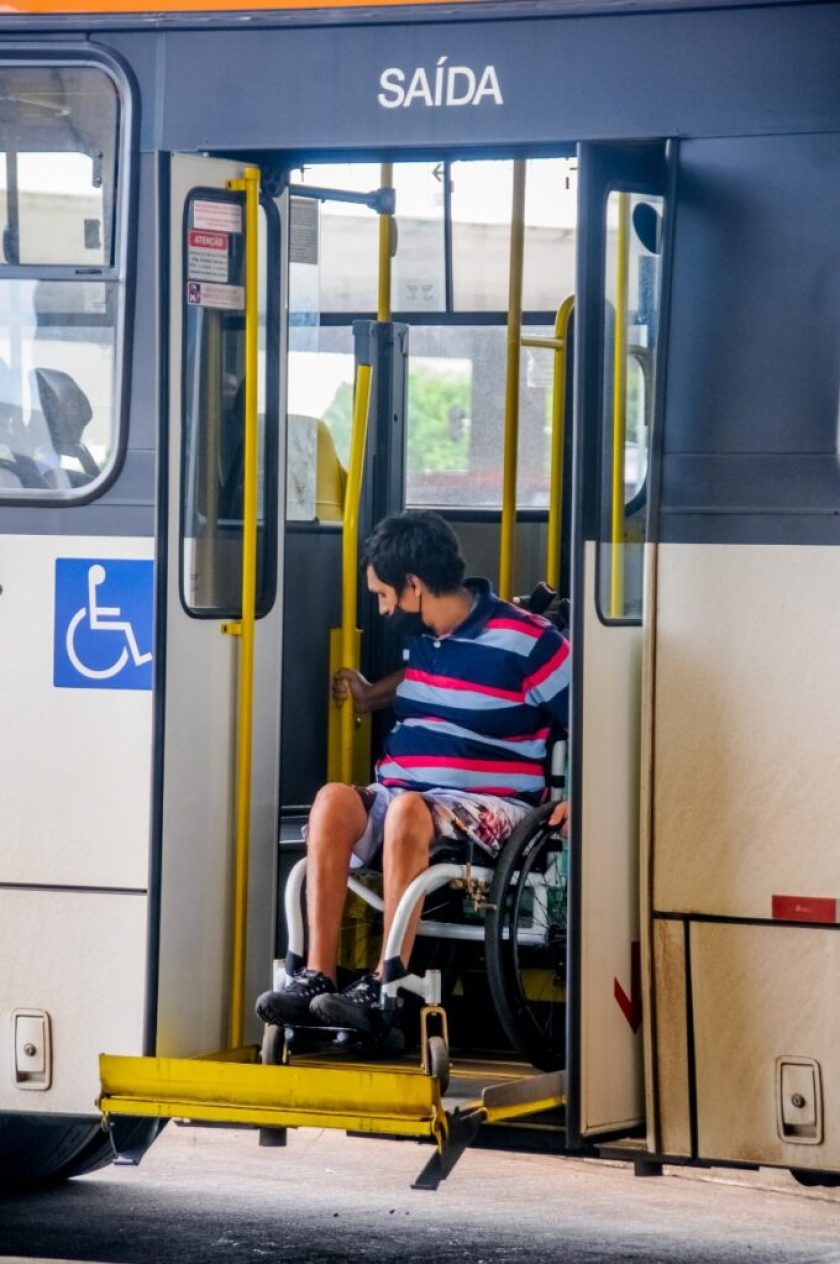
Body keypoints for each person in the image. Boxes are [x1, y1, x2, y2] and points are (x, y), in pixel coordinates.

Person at [256, 510, 570, 1034]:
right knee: (333, 799)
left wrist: (580, 795)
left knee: (406, 811)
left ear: (416, 586)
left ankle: (388, 984)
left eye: (384, 595)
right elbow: (429, 676)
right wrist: (369, 693)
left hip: (493, 806)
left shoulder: (529, 641)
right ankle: (315, 974)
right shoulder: (428, 638)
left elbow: (596, 713)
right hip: (409, 792)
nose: (382, 609)